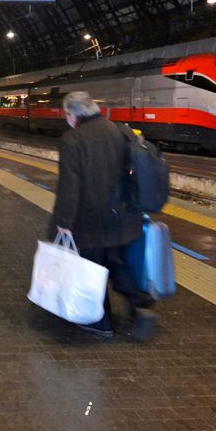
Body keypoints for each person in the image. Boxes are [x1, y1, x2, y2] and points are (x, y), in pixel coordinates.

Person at [47, 91, 156, 340]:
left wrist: (64, 222)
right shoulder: (119, 131)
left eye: (67, 114)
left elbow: (70, 186)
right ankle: (139, 305)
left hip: (92, 219)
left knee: (91, 268)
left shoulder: (72, 139)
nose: (66, 118)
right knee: (117, 264)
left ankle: (100, 322)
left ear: (74, 114)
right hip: (124, 216)